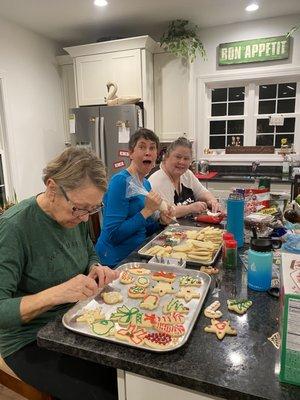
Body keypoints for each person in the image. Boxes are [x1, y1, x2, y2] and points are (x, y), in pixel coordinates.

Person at [0, 147, 119, 400]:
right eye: (79, 208)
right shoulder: (14, 228)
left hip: (73, 321)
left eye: (93, 209)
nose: (86, 218)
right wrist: (57, 294)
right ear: (52, 188)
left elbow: (90, 253)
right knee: (103, 393)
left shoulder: (74, 218)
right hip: (28, 339)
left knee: (125, 374)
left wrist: (94, 269)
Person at [96, 128, 172, 267]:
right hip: (115, 261)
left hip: (138, 254)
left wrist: (161, 222)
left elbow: (141, 230)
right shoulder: (120, 182)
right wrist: (147, 211)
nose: (148, 152)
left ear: (156, 155)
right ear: (131, 153)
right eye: (142, 147)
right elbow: (113, 235)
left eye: (152, 148)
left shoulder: (146, 184)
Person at [149, 137, 222, 218]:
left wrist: (212, 200)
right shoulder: (157, 180)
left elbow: (202, 192)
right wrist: (190, 208)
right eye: (178, 157)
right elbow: (166, 213)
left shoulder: (187, 174)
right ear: (166, 157)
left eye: (186, 158)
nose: (182, 162)